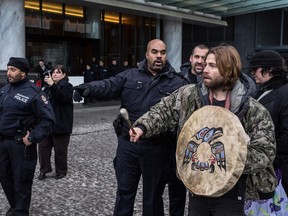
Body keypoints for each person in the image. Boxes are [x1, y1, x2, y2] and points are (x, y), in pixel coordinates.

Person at [129, 45, 277, 216]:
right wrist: (142, 127)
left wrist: (229, 163)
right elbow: (164, 111)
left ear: (228, 70)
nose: (205, 69)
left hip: (232, 193)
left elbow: (265, 151)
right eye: (206, 64)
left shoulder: (252, 109)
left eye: (212, 66)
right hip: (198, 192)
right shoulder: (190, 95)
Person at [73, 39, 188, 216]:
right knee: (124, 194)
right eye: (155, 52)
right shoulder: (130, 75)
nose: (159, 56)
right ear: (146, 54)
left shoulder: (177, 82)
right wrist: (87, 88)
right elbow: (108, 85)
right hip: (128, 146)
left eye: (162, 53)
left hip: (157, 148)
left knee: (153, 198)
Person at [0, 57, 55, 216]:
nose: (8, 72)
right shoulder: (5, 89)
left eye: (13, 70)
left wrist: (32, 137)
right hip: (3, 142)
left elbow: (49, 120)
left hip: (21, 145)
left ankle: (21, 211)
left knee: (21, 181)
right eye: (8, 68)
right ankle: (15, 206)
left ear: (23, 73)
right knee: (4, 176)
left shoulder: (34, 93)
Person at [250, 50, 288, 195]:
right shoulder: (262, 91)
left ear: (270, 69)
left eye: (255, 69)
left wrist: (267, 157)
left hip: (279, 168)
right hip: (268, 165)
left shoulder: (283, 92)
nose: (252, 72)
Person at [37, 65, 73, 181]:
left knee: (60, 150)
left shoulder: (67, 86)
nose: (54, 74)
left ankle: (61, 171)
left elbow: (62, 98)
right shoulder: (48, 88)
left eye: (58, 72)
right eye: (53, 72)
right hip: (47, 124)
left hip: (61, 123)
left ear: (64, 75)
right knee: (43, 148)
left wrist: (52, 85)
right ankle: (44, 170)